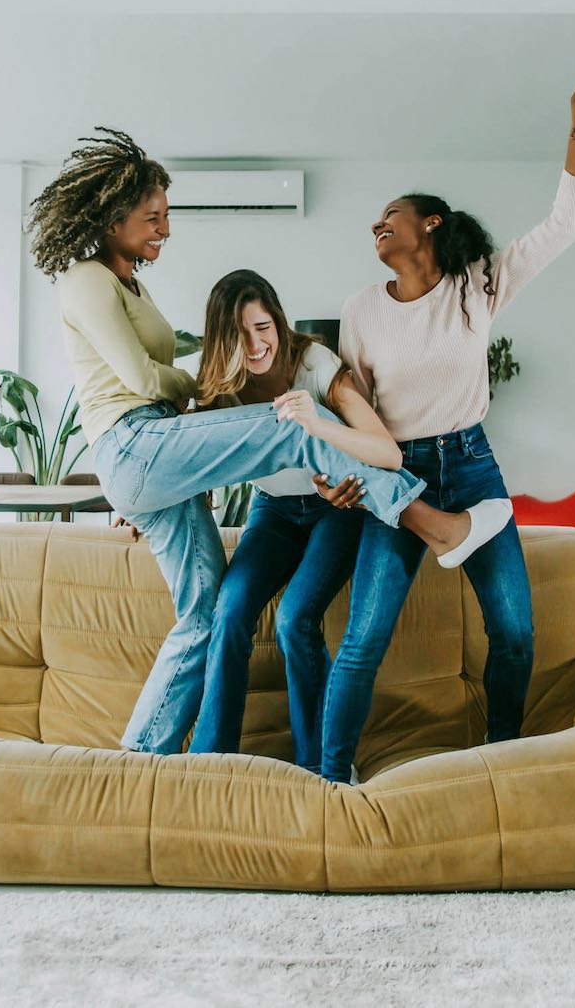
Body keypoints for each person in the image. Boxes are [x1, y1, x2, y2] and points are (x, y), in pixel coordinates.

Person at [29, 128, 513, 756]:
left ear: (280, 324)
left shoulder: (150, 294)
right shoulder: (87, 280)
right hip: (140, 445)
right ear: (111, 215)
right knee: (288, 423)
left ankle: (144, 760)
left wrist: (150, 486)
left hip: (165, 455)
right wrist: (192, 402)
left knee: (208, 613)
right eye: (153, 217)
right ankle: (432, 523)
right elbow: (143, 382)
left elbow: (183, 413)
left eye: (263, 328)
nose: (165, 229)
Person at [304, 61, 575, 784]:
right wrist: (341, 476)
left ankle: (501, 757)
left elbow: (563, 226)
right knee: (363, 640)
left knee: (514, 631)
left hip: (473, 468)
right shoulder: (361, 308)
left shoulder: (477, 285)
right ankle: (332, 777)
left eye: (391, 213)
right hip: (398, 474)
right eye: (374, 220)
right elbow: (353, 410)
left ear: (430, 223)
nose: (376, 223)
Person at [183, 270, 390, 772]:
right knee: (230, 612)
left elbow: (381, 446)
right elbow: (183, 462)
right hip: (272, 510)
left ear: (278, 322)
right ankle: (210, 762)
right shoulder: (217, 385)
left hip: (336, 509)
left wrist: (343, 475)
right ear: (222, 340)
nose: (256, 345)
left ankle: (321, 766)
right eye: (240, 335)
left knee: (295, 619)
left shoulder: (315, 364)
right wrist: (137, 512)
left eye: (264, 328)